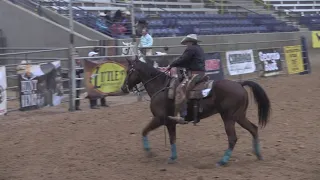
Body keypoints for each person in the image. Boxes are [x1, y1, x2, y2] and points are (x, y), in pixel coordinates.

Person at [166, 34, 205, 123]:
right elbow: (187, 61)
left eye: (187, 42)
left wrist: (171, 65)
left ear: (190, 41)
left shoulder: (191, 49)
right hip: (200, 73)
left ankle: (183, 115)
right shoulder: (198, 48)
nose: (186, 44)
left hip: (195, 74)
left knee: (180, 89)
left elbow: (183, 59)